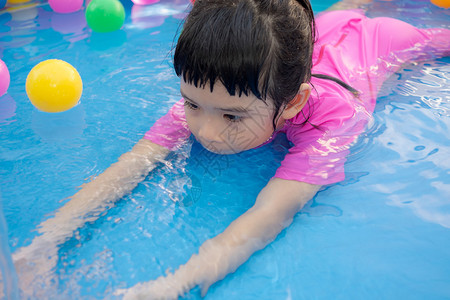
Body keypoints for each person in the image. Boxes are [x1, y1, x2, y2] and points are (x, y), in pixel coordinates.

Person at [11, 0, 449, 299]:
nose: (204, 129)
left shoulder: (333, 120)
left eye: (232, 118)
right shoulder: (219, 88)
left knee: (422, 38)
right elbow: (132, 165)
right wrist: (47, 239)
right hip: (313, 46)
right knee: (334, 16)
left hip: (376, 47)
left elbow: (269, 214)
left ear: (293, 103)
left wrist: (173, 284)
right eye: (191, 104)